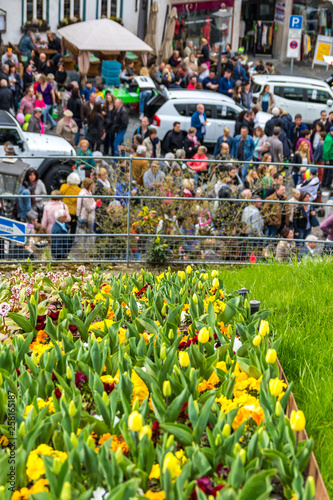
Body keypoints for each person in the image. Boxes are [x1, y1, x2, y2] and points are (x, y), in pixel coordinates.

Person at [76, 177, 96, 244]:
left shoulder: (89, 192)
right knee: (85, 234)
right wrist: (96, 203)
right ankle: (85, 250)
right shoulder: (84, 195)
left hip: (87, 216)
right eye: (92, 184)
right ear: (89, 185)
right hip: (85, 217)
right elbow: (90, 208)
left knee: (85, 234)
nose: (93, 186)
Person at [101, 91, 116, 156]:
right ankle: (105, 151)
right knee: (106, 137)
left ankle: (113, 151)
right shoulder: (105, 105)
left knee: (112, 138)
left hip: (112, 124)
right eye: (107, 98)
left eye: (109, 98)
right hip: (106, 123)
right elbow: (101, 110)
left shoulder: (115, 106)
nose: (108, 100)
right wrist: (102, 113)